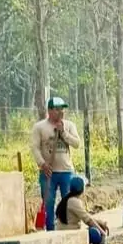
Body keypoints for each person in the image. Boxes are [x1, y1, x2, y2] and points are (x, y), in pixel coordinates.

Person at [30, 96, 82, 231]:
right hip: (48, 172)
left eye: (62, 109)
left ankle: (68, 229)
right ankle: (50, 230)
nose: (61, 112)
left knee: (69, 202)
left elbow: (76, 143)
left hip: (66, 171)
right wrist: (42, 164)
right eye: (58, 109)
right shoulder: (39, 127)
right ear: (50, 110)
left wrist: (63, 133)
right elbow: (35, 148)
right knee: (49, 202)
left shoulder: (69, 125)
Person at [56, 175, 123, 244]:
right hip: (71, 238)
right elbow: (88, 220)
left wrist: (99, 222)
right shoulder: (74, 202)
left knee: (98, 225)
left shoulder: (67, 199)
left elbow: (87, 216)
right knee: (95, 233)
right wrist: (103, 233)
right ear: (82, 189)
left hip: (66, 236)